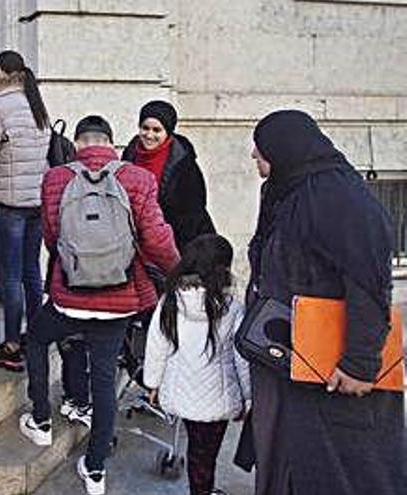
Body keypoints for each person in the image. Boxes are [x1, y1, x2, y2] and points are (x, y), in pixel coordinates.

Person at [242, 110, 406, 494]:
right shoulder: (290, 190)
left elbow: (369, 285)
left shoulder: (339, 199)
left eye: (261, 146)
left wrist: (360, 364)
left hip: (333, 371)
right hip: (290, 360)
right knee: (288, 460)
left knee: (338, 468)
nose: (253, 154)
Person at [21, 115, 179, 495]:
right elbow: (156, 238)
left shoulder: (56, 178)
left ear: (78, 144)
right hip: (119, 300)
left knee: (37, 339)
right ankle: (94, 471)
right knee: (105, 380)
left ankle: (41, 421)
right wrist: (177, 269)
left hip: (69, 298)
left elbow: (52, 236)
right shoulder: (138, 178)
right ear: (111, 143)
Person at [143, 234, 250, 495]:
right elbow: (241, 358)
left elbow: (157, 345)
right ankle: (202, 490)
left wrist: (152, 385)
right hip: (219, 397)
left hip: (182, 393)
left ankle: (202, 488)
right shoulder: (232, 308)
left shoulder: (170, 301)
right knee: (206, 454)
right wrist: (249, 397)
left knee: (197, 450)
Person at [0, 50, 50, 372]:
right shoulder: (36, 102)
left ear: (0, 71)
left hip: (9, 204)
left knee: (10, 277)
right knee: (32, 271)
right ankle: (37, 337)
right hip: (36, 201)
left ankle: (11, 345)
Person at [122, 101, 215, 250]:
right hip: (138, 241)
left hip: (178, 241)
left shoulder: (184, 163)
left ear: (168, 132)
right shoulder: (130, 155)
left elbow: (194, 212)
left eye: (157, 130)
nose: (149, 135)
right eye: (145, 128)